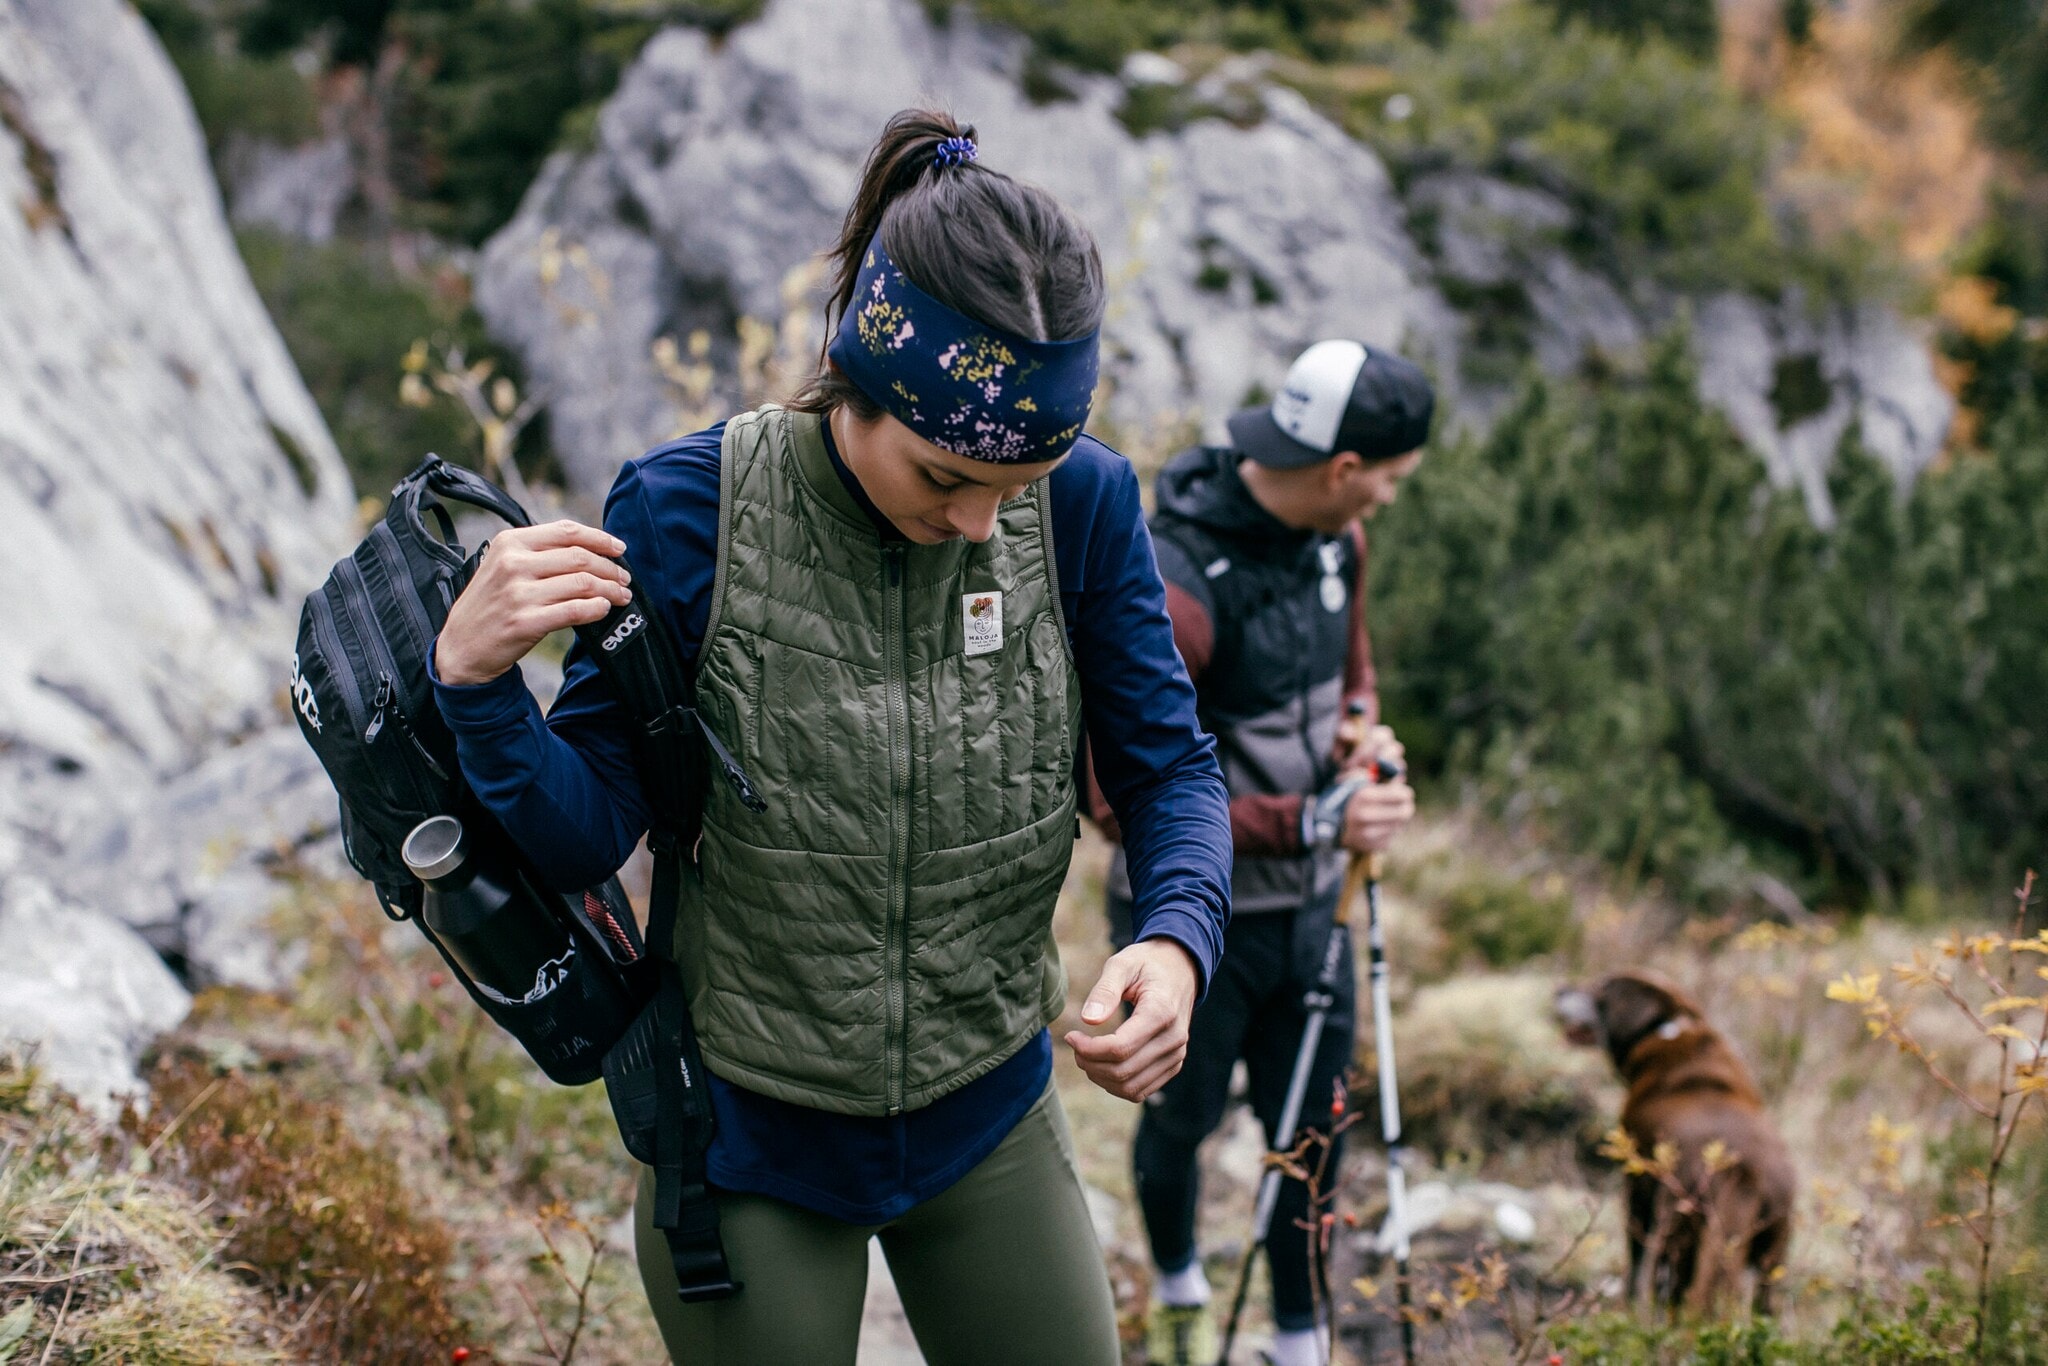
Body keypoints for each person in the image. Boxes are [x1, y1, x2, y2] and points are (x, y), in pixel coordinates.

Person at [428, 109, 1232, 1365]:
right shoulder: (692, 509)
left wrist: (1176, 942)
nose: (980, 524)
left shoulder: (1080, 504)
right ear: (859, 383)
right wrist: (477, 684)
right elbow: (587, 826)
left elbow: (1168, 764)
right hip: (749, 1137)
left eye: (1012, 487)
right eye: (943, 479)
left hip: (989, 1113)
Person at [1092, 339, 1431, 1366]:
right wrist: (1312, 822)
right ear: (1340, 469)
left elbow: (1352, 665)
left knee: (1309, 1145)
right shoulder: (1180, 583)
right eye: (1388, 476)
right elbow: (1115, 797)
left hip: (1317, 918)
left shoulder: (1341, 543)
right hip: (1192, 929)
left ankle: (1297, 1344)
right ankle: (1182, 1291)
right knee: (1179, 1121)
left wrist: (1361, 733)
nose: (1387, 497)